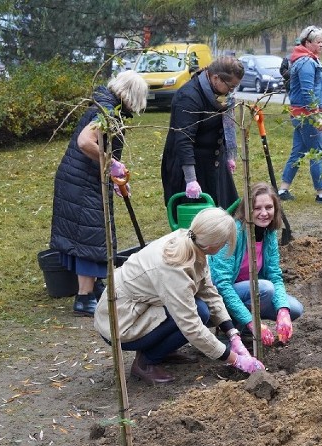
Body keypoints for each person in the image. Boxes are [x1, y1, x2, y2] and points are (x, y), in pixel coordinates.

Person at [94, 207, 265, 385]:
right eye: (224, 244)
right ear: (210, 245)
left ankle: (163, 350)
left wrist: (232, 333)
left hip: (144, 306)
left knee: (202, 309)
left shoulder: (194, 241)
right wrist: (234, 359)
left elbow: (208, 291)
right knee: (199, 313)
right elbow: (190, 326)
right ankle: (145, 362)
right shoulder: (174, 269)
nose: (225, 247)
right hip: (120, 322)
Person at [50, 70, 149, 316]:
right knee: (90, 236)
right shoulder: (105, 111)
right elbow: (85, 142)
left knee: (86, 234)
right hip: (82, 182)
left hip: (81, 179)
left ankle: (93, 287)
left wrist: (113, 175)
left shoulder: (106, 105)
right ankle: (83, 299)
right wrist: (110, 162)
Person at [209, 182, 303, 345]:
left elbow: (275, 274)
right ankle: (231, 330)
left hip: (251, 292)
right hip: (219, 297)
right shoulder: (232, 234)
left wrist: (282, 311)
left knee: (293, 308)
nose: (264, 213)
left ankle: (245, 327)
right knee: (265, 288)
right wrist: (251, 322)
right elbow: (222, 285)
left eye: (268, 207)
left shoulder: (269, 234)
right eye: (257, 208)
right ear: (247, 209)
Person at [161, 56, 244, 213]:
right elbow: (184, 140)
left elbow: (223, 126)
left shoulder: (221, 96)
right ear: (215, 77)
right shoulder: (188, 97)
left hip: (214, 164)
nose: (232, 91)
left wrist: (228, 155)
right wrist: (191, 180)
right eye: (230, 86)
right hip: (190, 167)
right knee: (198, 224)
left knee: (225, 216)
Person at [277, 25, 322, 205]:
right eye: (318, 42)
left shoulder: (305, 59)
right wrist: (316, 116)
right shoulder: (306, 62)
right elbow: (307, 93)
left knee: (297, 152)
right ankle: (321, 193)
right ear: (307, 43)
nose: (321, 45)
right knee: (317, 153)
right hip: (306, 115)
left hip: (300, 115)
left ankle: (282, 189)